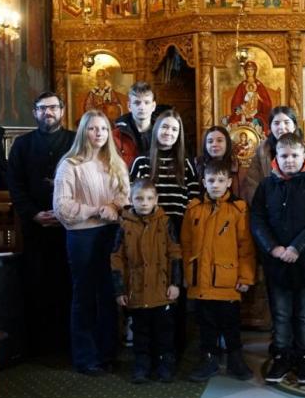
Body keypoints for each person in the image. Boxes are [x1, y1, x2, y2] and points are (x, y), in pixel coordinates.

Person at [53, 110, 130, 375]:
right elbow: (61, 207)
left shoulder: (115, 162)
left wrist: (114, 206)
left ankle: (108, 352)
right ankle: (86, 357)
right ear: (83, 131)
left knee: (108, 293)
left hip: (111, 233)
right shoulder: (70, 164)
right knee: (84, 294)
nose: (99, 134)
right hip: (82, 236)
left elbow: (125, 196)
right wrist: (96, 210)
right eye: (93, 128)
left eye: (104, 129)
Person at [250, 133, 305, 385]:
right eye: (284, 156)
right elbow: (257, 220)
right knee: (281, 313)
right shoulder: (267, 185)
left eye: (295, 155)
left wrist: (296, 247)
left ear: (304, 156)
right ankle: (282, 356)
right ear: (276, 157)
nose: (290, 160)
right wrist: (273, 248)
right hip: (277, 262)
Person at [7, 92, 75, 356]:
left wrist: (66, 213)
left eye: (53, 107)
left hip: (70, 225)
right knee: (38, 283)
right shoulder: (22, 145)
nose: (48, 112)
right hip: (35, 226)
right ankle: (41, 347)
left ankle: (68, 344)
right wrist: (34, 214)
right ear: (35, 112)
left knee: (68, 283)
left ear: (62, 111)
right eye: (42, 108)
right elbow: (15, 185)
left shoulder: (74, 141)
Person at [129, 110, 200, 359]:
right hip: (147, 229)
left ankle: (173, 349)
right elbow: (131, 198)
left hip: (177, 230)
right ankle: (149, 350)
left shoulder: (186, 164)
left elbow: (194, 200)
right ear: (156, 129)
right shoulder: (141, 162)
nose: (169, 133)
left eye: (174, 129)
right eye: (165, 127)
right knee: (150, 285)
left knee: (174, 286)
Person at [183, 159, 256, 382]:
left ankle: (235, 359)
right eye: (211, 180)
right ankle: (209, 359)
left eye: (221, 180)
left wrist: (245, 276)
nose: (216, 184)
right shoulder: (194, 208)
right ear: (203, 182)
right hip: (200, 280)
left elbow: (246, 246)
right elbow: (185, 245)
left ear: (229, 182)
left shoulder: (238, 208)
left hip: (227, 280)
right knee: (206, 324)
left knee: (230, 323)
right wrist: (187, 275)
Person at [111, 180, 182, 383]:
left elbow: (175, 253)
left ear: (156, 200)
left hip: (162, 290)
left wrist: (175, 283)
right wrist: (120, 290)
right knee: (141, 332)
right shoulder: (124, 225)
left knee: (164, 332)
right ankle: (142, 365)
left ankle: (164, 363)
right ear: (131, 200)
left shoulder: (165, 222)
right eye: (139, 198)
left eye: (149, 198)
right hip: (137, 290)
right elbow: (117, 259)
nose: (144, 203)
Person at [242, 106, 299, 203]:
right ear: (270, 127)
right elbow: (252, 184)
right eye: (276, 123)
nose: (281, 127)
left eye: (286, 122)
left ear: (294, 126)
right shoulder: (261, 151)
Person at [113, 82, 157, 170]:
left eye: (146, 102)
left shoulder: (162, 134)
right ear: (129, 106)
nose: (142, 107)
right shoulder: (115, 136)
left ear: (153, 106)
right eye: (137, 103)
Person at [229, 61, 273, 134]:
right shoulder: (242, 86)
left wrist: (259, 98)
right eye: (248, 70)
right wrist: (242, 108)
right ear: (245, 71)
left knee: (258, 120)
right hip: (244, 112)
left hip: (257, 113)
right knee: (237, 120)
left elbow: (268, 104)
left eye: (252, 69)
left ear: (255, 71)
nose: (250, 72)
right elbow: (235, 103)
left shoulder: (259, 85)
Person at [195, 125, 241, 191]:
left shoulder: (236, 167)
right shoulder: (197, 165)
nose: (214, 144)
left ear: (227, 143)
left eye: (219, 140)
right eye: (210, 141)